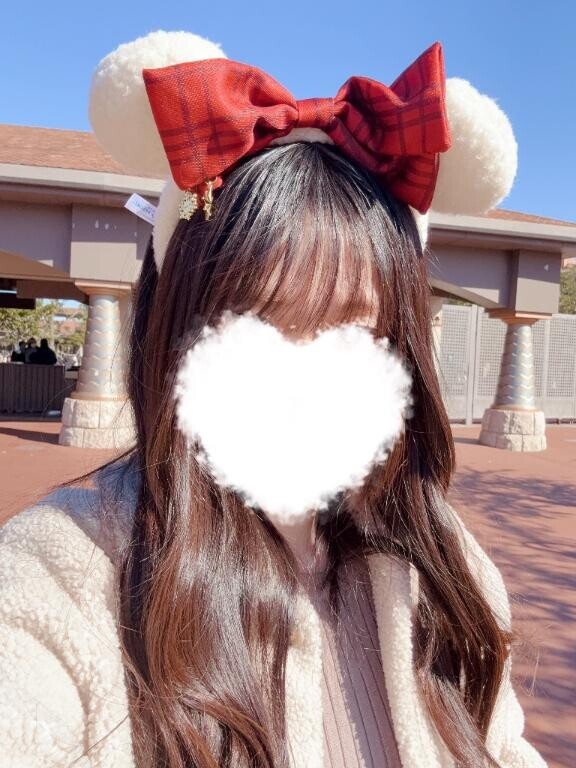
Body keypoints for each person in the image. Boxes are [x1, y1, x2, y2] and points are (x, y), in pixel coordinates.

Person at [0, 31, 547, 768]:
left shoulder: (448, 568)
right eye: (255, 322)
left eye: (355, 330)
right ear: (175, 336)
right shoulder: (69, 569)